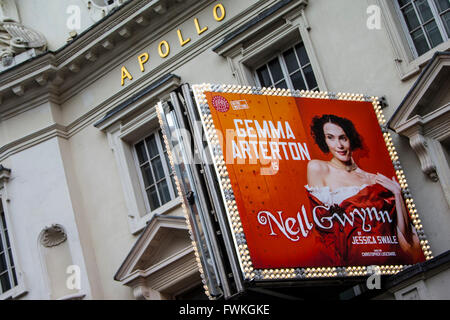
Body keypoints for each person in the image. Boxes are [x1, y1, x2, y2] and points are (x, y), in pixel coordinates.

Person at [305, 114, 424, 266]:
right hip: (351, 260)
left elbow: (405, 239)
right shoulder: (318, 168)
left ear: (351, 139)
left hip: (390, 259)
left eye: (343, 138)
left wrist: (397, 194)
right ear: (324, 140)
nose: (339, 145)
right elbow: (324, 233)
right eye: (331, 137)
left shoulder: (375, 180)